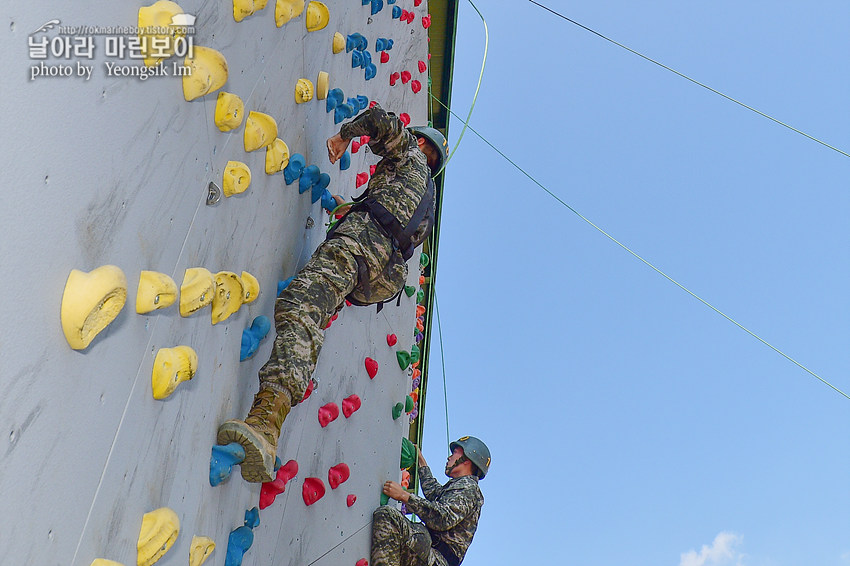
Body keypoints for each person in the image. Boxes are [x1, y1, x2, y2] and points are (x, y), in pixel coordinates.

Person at [217, 105, 450, 483]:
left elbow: (378, 121)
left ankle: (265, 424)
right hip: (370, 268)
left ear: (421, 142)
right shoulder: (427, 205)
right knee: (312, 314)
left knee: (300, 309)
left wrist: (344, 136)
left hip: (356, 246)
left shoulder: (409, 154)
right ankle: (269, 422)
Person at [373, 436, 490, 566]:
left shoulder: (469, 487)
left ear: (466, 460)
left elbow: (442, 517)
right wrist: (421, 463)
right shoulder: (462, 486)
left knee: (389, 517)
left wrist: (404, 496)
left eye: (455, 453)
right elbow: (434, 493)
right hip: (431, 554)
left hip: (436, 558)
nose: (449, 458)